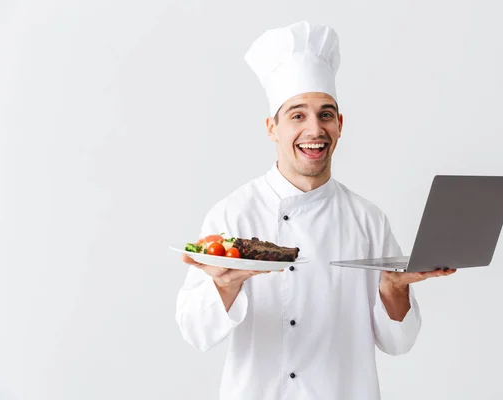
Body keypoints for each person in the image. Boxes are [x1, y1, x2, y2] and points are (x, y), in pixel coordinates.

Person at [175, 20, 456, 400]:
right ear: (272, 128)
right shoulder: (233, 214)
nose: (314, 129)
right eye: (297, 115)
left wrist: (392, 289)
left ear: (340, 125)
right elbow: (195, 332)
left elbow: (399, 343)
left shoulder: (367, 219)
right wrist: (224, 286)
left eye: (325, 114)